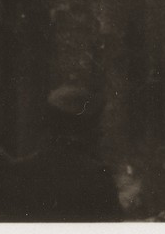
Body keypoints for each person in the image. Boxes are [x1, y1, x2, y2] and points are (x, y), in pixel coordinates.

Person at [8, 83, 124, 221]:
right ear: (82, 129)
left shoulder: (19, 171)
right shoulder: (97, 176)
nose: (101, 132)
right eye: (96, 124)